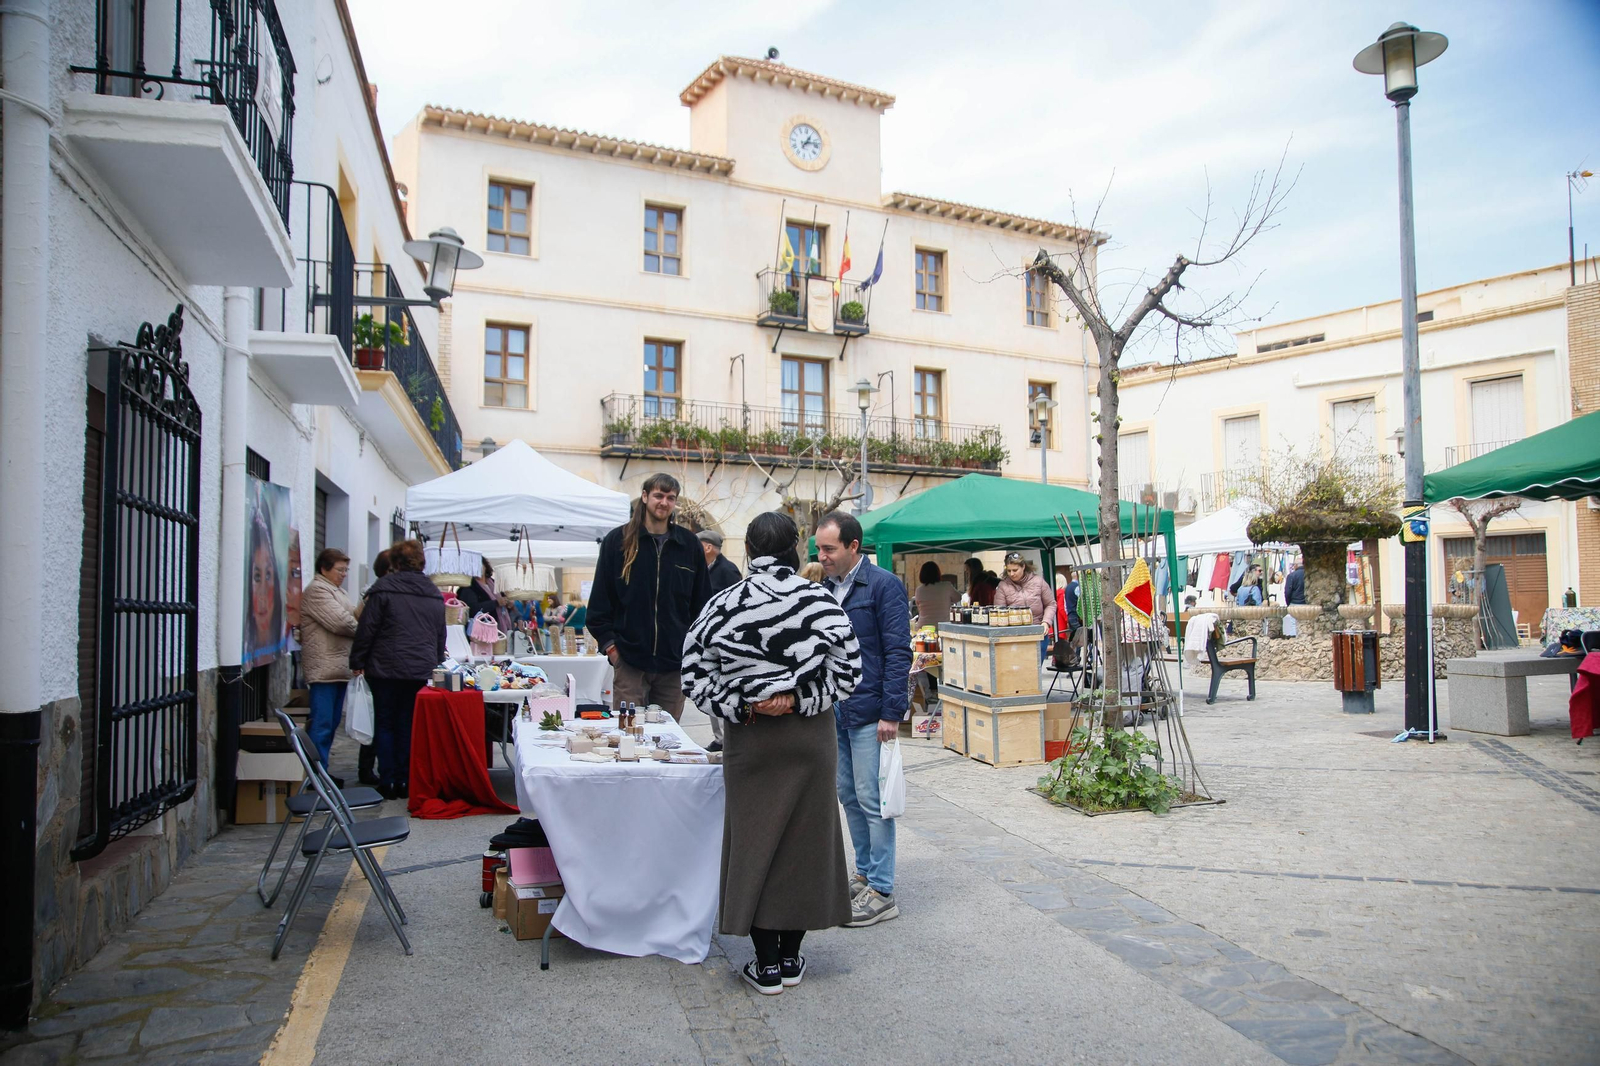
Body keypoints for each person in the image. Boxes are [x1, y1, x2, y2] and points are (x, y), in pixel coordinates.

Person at [682, 511, 862, 994]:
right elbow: (849, 673)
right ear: (795, 549)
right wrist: (801, 698)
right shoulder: (820, 602)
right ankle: (790, 958)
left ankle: (763, 965)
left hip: (751, 736)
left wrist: (742, 702)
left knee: (755, 843)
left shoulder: (723, 604)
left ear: (748, 551)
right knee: (806, 844)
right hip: (809, 737)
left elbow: (694, 675)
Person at [815, 511, 910, 928]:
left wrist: (892, 712)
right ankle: (865, 874)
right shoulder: (824, 587)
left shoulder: (884, 586)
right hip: (834, 709)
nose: (822, 556)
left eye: (829, 548)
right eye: (819, 548)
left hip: (870, 711)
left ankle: (883, 891)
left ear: (853, 546)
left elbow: (897, 651)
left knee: (874, 802)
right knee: (848, 796)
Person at [586, 473, 710, 722]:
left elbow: (703, 605)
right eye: (658, 495)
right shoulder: (617, 542)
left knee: (668, 741)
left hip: (673, 666)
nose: (664, 502)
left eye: (670, 497)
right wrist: (613, 650)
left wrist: (690, 651)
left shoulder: (688, 545)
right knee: (629, 737)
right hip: (629, 662)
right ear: (645, 497)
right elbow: (599, 605)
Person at [349, 540, 446, 800]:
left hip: (385, 668)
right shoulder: (433, 592)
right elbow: (439, 634)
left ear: (396, 562)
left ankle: (389, 780)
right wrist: (435, 662)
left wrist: (357, 661)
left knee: (385, 722)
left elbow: (367, 629)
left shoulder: (383, 589)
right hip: (419, 669)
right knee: (407, 724)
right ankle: (404, 779)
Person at [298, 549, 359, 769]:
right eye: (340, 569)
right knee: (322, 725)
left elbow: (352, 614)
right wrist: (362, 629)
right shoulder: (317, 590)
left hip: (337, 668)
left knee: (331, 724)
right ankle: (316, 775)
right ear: (324, 569)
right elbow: (342, 622)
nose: (344, 574)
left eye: (346, 570)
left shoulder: (337, 591)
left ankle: (323, 773)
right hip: (324, 669)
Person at [354, 549, 390, 785]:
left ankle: (367, 769)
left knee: (376, 719)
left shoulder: (377, 590)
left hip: (376, 663)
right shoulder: (377, 593)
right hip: (377, 664)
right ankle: (366, 770)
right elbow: (362, 623)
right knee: (375, 720)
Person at [995, 551, 1056, 658]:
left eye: (1015, 570)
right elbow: (999, 611)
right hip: (1014, 635)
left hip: (1038, 632)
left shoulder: (1038, 581)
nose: (1011, 574)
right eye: (1008, 570)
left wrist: (1046, 622)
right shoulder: (1003, 586)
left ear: (1023, 566)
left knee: (1036, 670)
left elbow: (1051, 604)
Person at [699, 529, 742, 594]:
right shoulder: (701, 568)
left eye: (697, 545)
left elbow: (738, 597)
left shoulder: (728, 570)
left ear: (708, 548)